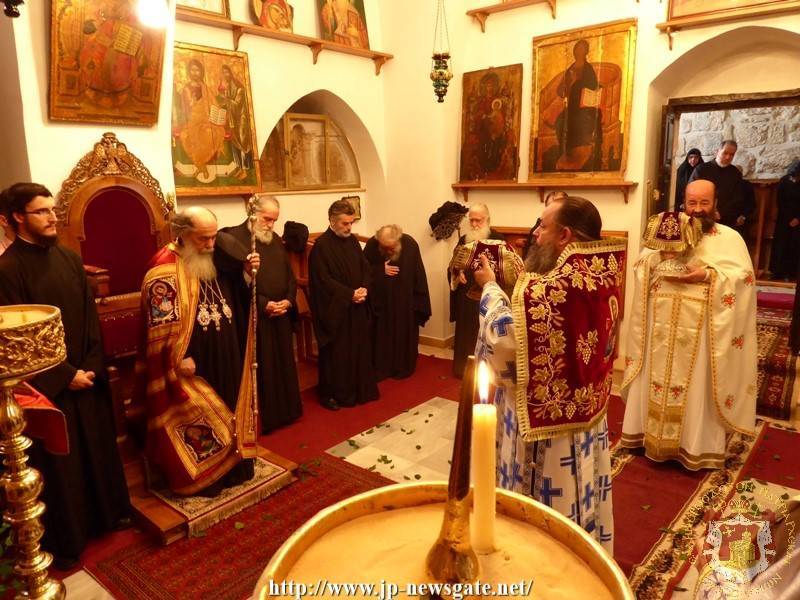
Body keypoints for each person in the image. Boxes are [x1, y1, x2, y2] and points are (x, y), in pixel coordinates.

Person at [474, 195, 624, 553]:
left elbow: (505, 343)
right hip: (588, 417)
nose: (535, 233)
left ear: (565, 235)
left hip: (546, 430)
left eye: (543, 225)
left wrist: (490, 288)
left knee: (546, 514)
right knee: (583, 491)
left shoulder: (552, 289)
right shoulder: (603, 270)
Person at [0, 183, 131, 570]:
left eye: (52, 209)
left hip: (85, 377)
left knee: (96, 448)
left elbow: (91, 318)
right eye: (41, 211)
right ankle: (71, 538)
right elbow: (14, 338)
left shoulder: (71, 260)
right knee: (63, 465)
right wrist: (64, 376)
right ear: (16, 218)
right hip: (48, 389)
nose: (52, 217)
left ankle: (109, 515)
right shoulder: (6, 271)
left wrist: (89, 366)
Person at [621, 180, 757, 470]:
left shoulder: (729, 238)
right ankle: (648, 437)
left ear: (715, 203)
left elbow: (743, 280)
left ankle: (695, 448)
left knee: (696, 390)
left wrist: (707, 275)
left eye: (704, 203)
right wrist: (659, 257)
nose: (697, 210)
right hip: (660, 327)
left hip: (703, 334)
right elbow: (641, 265)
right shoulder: (665, 229)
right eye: (691, 203)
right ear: (683, 201)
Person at [135, 206, 260, 495]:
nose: (210, 244)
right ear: (182, 235)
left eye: (214, 237)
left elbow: (237, 292)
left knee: (230, 405)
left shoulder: (216, 256)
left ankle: (238, 467)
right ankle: (207, 479)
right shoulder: (163, 268)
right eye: (203, 239)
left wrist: (246, 274)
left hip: (227, 346)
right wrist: (176, 358)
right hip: (193, 359)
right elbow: (158, 329)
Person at [222, 196, 302, 432]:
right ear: (253, 214)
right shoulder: (234, 240)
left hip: (281, 313)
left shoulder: (274, 239)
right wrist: (264, 303)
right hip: (255, 316)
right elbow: (234, 284)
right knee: (263, 366)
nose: (271, 226)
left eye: (274, 221)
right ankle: (266, 418)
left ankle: (288, 411)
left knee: (284, 363)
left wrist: (288, 300)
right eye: (267, 219)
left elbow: (289, 274)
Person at [309, 199, 378, 410]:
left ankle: (360, 389)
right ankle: (333, 394)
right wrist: (349, 295)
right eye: (345, 224)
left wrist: (364, 288)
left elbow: (365, 267)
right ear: (332, 221)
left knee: (359, 349)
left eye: (351, 223)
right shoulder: (321, 247)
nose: (349, 228)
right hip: (336, 311)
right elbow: (323, 281)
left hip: (356, 307)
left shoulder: (352, 242)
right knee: (337, 354)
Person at [363, 224, 431, 381]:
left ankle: (403, 367)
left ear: (398, 240)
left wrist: (419, 303)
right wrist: (380, 270)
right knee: (381, 336)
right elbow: (362, 271)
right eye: (384, 247)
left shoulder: (410, 244)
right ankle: (383, 367)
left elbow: (418, 275)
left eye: (391, 247)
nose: (388, 251)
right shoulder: (372, 245)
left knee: (403, 333)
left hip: (404, 303)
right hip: (381, 304)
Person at [449, 204, 504, 378]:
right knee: (466, 333)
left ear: (487, 219)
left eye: (477, 220)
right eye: (471, 220)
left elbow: (507, 271)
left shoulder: (499, 240)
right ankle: (462, 369)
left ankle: (486, 371)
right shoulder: (464, 240)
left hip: (488, 296)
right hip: (466, 296)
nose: (473, 224)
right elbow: (453, 265)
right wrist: (458, 274)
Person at [554, 39, 601, 171]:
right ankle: (567, 153)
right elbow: (561, 91)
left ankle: (583, 153)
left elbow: (594, 87)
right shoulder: (570, 69)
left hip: (586, 106)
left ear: (586, 52)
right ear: (574, 51)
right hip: (572, 107)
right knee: (560, 122)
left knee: (581, 122)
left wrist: (580, 85)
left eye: (582, 49)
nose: (580, 51)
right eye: (577, 49)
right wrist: (571, 82)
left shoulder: (588, 69)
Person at [690, 140, 752, 234]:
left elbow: (738, 198)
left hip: (727, 220)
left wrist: (721, 212)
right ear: (717, 151)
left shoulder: (735, 173)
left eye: (731, 154)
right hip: (703, 218)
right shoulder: (701, 170)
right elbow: (692, 193)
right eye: (725, 153)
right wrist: (709, 211)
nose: (728, 157)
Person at [178, 59, 225, 180]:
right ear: (189, 72)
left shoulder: (205, 87)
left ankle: (203, 162)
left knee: (214, 132)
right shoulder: (186, 88)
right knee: (189, 136)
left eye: (197, 70)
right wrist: (193, 101)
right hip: (193, 120)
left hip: (207, 119)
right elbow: (186, 107)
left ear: (201, 72)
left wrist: (217, 113)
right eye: (192, 70)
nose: (195, 72)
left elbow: (213, 104)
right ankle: (200, 164)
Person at [217, 64, 252, 181]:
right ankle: (240, 168)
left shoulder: (239, 88)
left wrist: (225, 99)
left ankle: (245, 170)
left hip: (241, 121)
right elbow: (228, 104)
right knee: (235, 144)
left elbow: (237, 104)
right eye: (223, 73)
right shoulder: (227, 88)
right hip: (233, 120)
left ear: (230, 73)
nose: (225, 75)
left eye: (226, 72)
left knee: (242, 144)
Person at [770, 160, 800, 281]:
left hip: (798, 221)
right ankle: (777, 272)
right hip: (783, 218)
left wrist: (798, 218)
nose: (795, 179)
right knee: (780, 245)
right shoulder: (784, 181)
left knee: (793, 246)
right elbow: (780, 200)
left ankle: (789, 272)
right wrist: (787, 217)